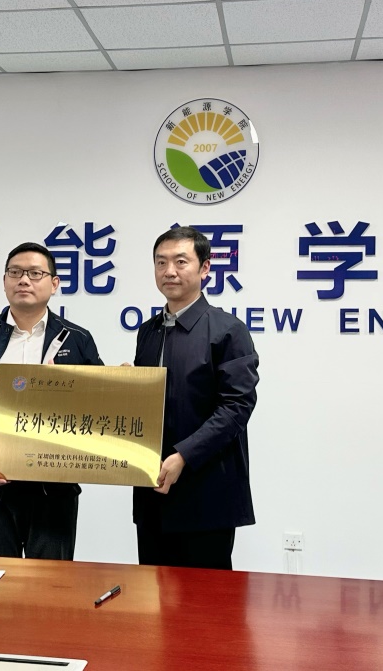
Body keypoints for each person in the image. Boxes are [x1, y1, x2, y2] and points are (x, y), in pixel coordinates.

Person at [0, 242, 103, 559]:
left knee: (51, 586)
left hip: (53, 491)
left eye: (35, 273)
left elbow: (96, 411)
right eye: (15, 272)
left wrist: (117, 383)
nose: (24, 280)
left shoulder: (77, 339)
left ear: (54, 284)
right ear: (4, 282)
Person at [133, 226, 259, 570]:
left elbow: (236, 407)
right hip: (152, 491)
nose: (169, 271)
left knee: (204, 599)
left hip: (207, 492)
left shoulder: (228, 330)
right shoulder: (148, 331)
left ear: (205, 268)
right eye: (161, 262)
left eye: (180, 261)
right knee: (153, 593)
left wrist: (183, 456)